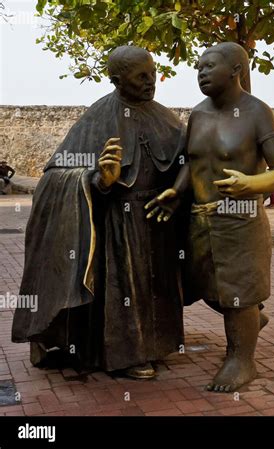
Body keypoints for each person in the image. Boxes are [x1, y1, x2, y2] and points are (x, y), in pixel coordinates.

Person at [12, 46, 187, 379]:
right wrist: (96, 179)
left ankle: (156, 344)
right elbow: (54, 177)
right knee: (126, 291)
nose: (151, 82)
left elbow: (188, 159)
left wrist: (177, 193)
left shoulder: (165, 116)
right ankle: (129, 356)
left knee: (159, 287)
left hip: (158, 218)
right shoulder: (97, 117)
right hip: (119, 223)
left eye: (153, 73)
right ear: (117, 80)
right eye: (141, 77)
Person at [145, 42, 274, 392]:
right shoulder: (198, 114)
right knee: (203, 286)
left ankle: (242, 360)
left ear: (237, 70)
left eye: (209, 66)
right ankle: (252, 320)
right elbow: (191, 161)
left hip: (239, 218)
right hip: (200, 218)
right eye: (198, 68)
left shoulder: (257, 112)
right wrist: (177, 192)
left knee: (237, 293)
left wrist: (251, 183)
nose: (202, 73)